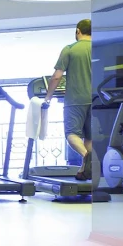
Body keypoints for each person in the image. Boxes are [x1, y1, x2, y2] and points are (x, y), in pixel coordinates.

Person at [43, 19, 93, 180]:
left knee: (71, 133)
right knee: (89, 136)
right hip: (96, 99)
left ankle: (87, 156)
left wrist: (48, 98)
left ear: (78, 31)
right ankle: (84, 170)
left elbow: (57, 77)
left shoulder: (70, 49)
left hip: (76, 98)